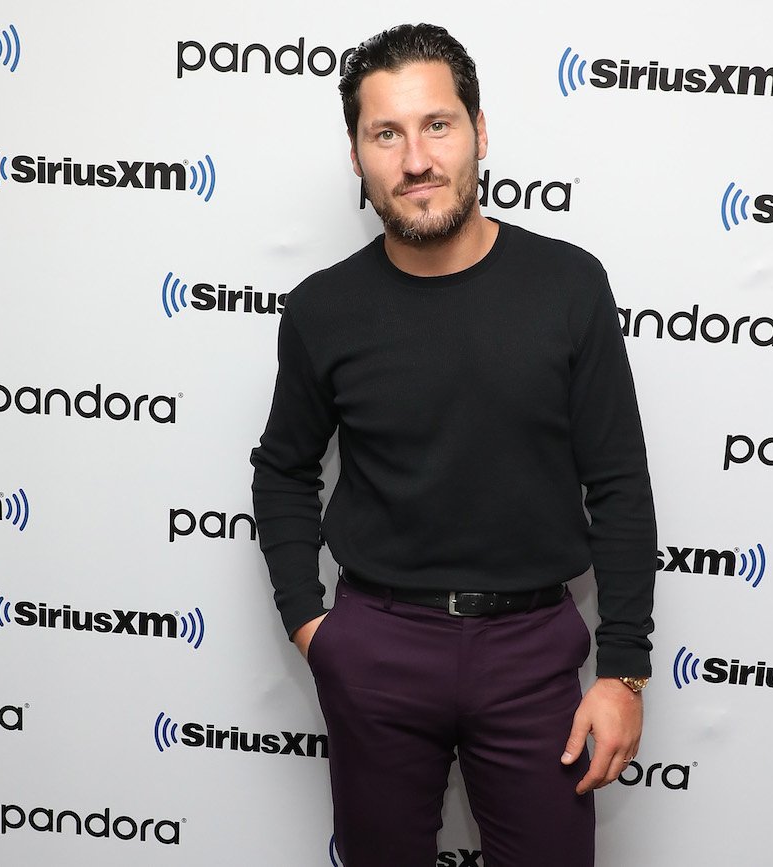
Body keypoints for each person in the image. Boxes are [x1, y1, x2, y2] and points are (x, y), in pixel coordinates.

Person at [250, 23, 656, 867]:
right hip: (377, 648)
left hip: (532, 652)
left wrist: (623, 670)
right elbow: (283, 468)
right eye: (386, 133)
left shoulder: (569, 285)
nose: (416, 159)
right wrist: (311, 626)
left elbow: (618, 482)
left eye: (437, 125)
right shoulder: (324, 309)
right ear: (357, 155)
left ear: (479, 131)